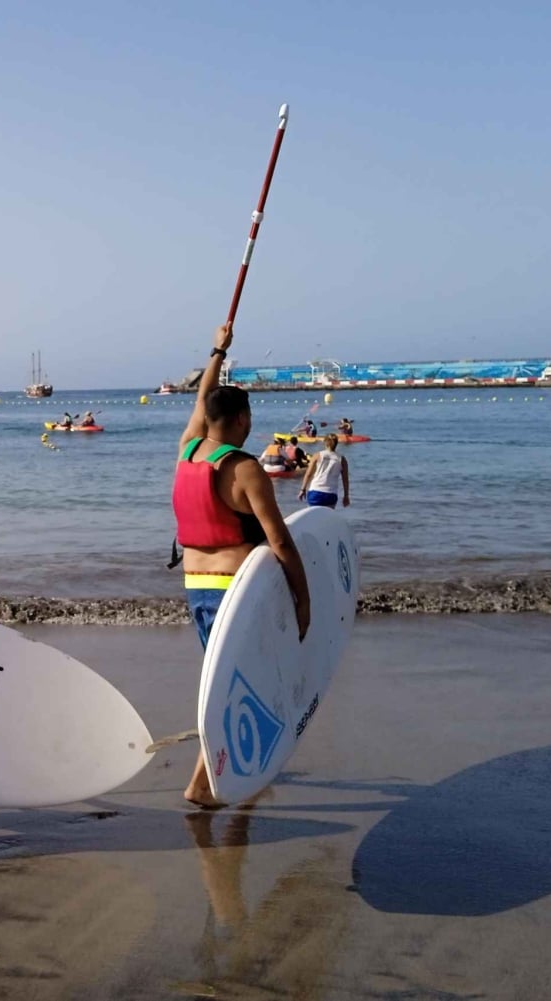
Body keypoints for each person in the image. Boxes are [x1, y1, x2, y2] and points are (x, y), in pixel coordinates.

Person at [173, 322, 310, 809]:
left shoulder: (188, 449)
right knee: (241, 683)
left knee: (225, 679)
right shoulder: (245, 468)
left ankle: (227, 776)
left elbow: (200, 401)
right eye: (248, 415)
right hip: (238, 588)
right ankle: (205, 783)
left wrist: (217, 349)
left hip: (196, 587)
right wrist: (303, 600)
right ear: (241, 419)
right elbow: (280, 541)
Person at [298, 434, 350, 509]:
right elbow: (345, 479)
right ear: (336, 444)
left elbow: (308, 474)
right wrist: (346, 496)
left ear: (325, 443)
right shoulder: (342, 459)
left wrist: (302, 490)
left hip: (315, 492)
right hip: (331, 495)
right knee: (327, 518)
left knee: (312, 516)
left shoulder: (317, 455)